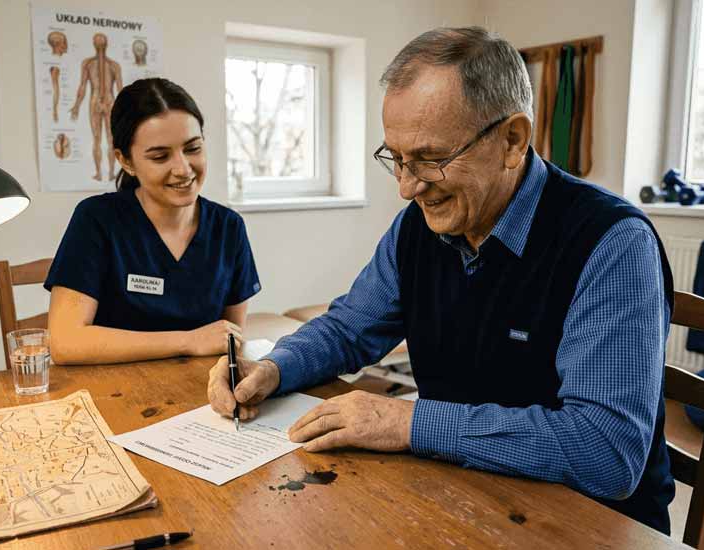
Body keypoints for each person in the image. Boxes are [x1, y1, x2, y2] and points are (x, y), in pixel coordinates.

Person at [207, 27, 676, 533]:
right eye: (397, 159)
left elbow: (606, 450)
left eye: (430, 159)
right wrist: (276, 367)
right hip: (460, 492)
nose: (408, 188)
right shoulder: (419, 226)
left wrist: (408, 422)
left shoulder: (612, 243)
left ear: (513, 141)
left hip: (583, 524)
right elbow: (348, 327)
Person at [46, 78, 261, 365]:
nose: (183, 169)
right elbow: (65, 342)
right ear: (126, 161)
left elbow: (228, 340)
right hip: (115, 390)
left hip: (199, 395)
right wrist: (188, 341)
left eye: (193, 148)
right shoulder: (97, 219)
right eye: (160, 156)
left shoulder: (228, 227)